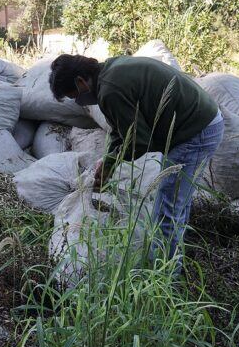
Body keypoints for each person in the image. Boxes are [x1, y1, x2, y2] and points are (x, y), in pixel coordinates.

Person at [48, 54, 224, 273]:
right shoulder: (109, 70)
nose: (76, 101)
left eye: (73, 95)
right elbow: (121, 131)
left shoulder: (110, 90)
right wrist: (108, 161)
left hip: (194, 132)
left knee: (166, 212)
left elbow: (138, 141)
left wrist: (112, 162)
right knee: (177, 204)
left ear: (80, 81)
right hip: (203, 121)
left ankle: (167, 280)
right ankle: (174, 260)